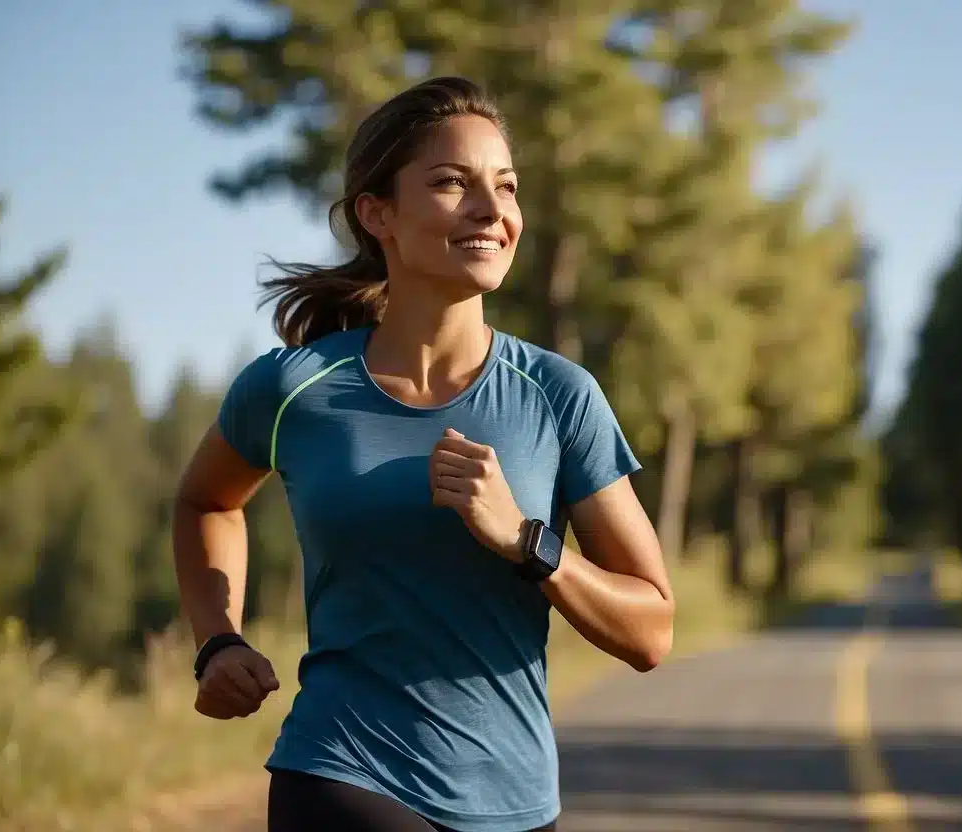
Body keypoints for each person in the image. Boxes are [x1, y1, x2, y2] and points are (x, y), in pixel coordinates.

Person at [171, 76, 675, 832]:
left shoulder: (556, 396)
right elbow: (206, 500)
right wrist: (217, 639)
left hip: (516, 800)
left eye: (505, 188)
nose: (491, 210)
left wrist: (527, 541)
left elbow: (651, 631)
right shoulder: (293, 387)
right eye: (450, 183)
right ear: (379, 215)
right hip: (341, 771)